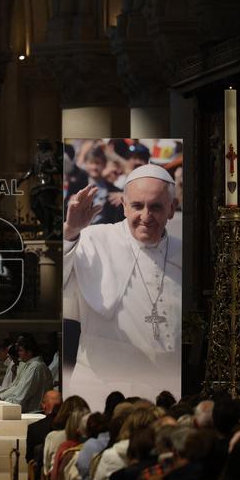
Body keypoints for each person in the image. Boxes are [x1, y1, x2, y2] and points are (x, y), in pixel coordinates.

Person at [63, 164, 182, 407]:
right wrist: (70, 232)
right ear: (124, 206)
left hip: (165, 390)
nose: (146, 217)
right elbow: (59, 282)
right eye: (137, 206)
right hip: (99, 389)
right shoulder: (93, 239)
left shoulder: (184, 252)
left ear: (172, 208)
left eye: (156, 207)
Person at [0, 335, 52, 413]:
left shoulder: (36, 367)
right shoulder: (28, 365)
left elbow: (21, 396)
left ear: (29, 352)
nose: (19, 354)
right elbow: (16, 388)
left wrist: (0, 403)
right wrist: (0, 398)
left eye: (21, 351)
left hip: (33, 413)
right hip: (24, 410)